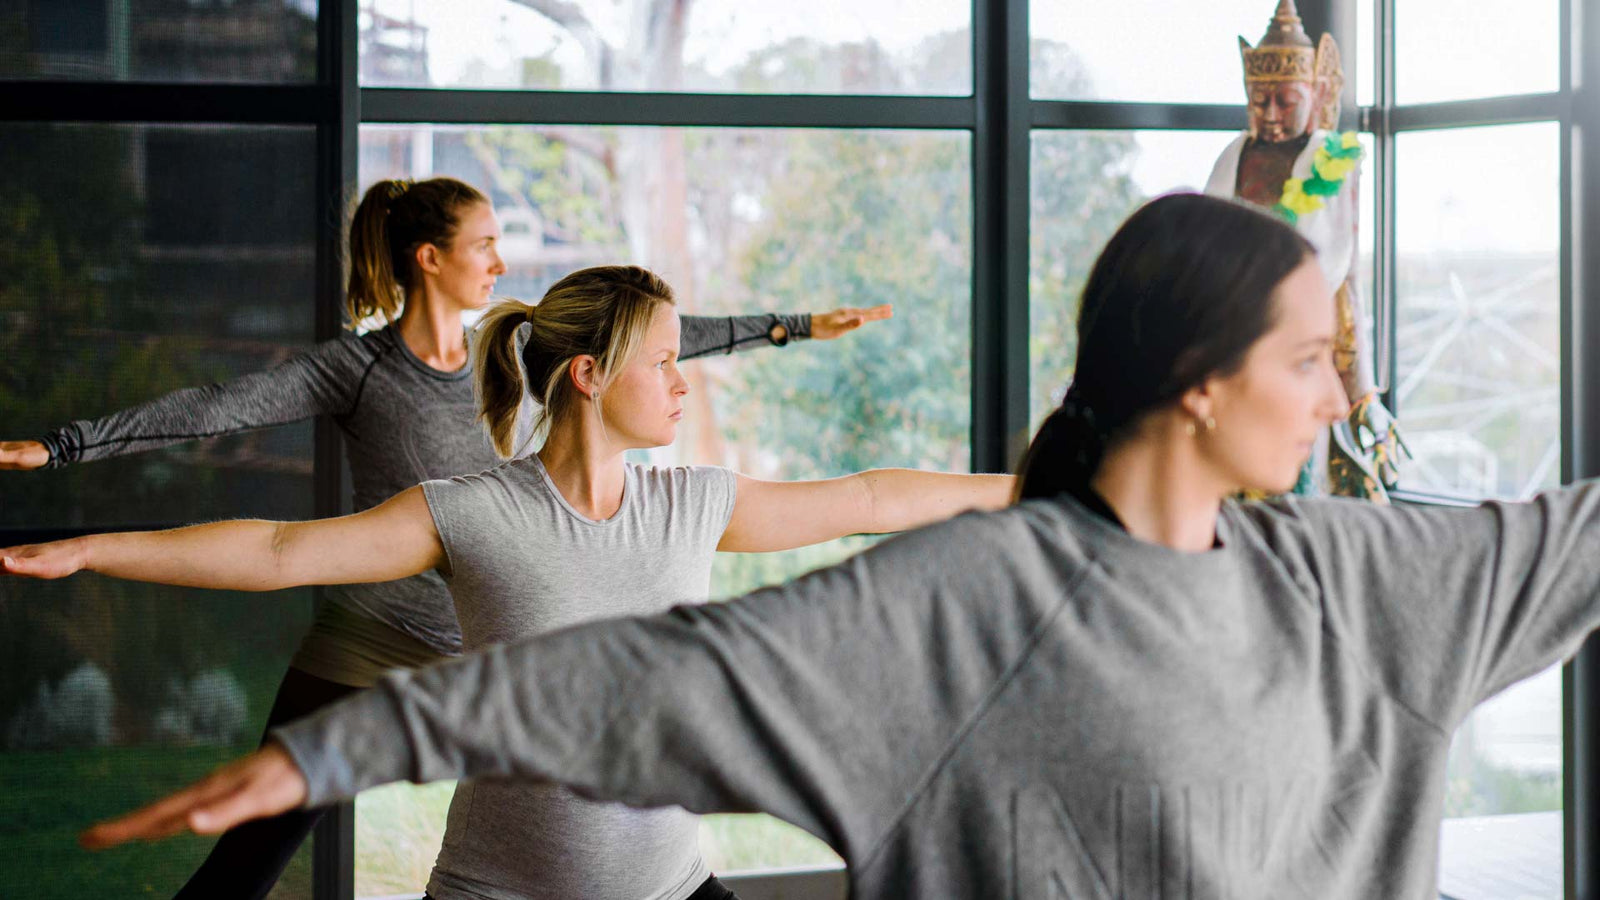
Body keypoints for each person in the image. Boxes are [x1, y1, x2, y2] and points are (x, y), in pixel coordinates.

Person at [53, 194, 1600, 898]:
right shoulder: (938, 620)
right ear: (1201, 387)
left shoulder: (1368, 582)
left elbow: (859, 496)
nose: (1341, 392)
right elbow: (638, 682)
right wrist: (329, 745)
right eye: (1313, 358)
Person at [0, 177, 891, 899]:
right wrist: (67, 451)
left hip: (484, 637)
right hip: (375, 636)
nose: (501, 261)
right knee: (253, 855)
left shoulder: (515, 355)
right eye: (484, 245)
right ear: (430, 259)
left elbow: (653, 343)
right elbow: (224, 427)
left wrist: (793, 325)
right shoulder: (358, 367)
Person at [1204, 0, 1403, 500]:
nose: (1270, 115)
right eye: (1260, 100)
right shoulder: (1236, 155)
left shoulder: (1329, 160)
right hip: (1234, 323)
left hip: (1307, 325)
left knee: (1304, 468)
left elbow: (1326, 257)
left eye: (1285, 102)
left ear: (1316, 96)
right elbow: (1205, 233)